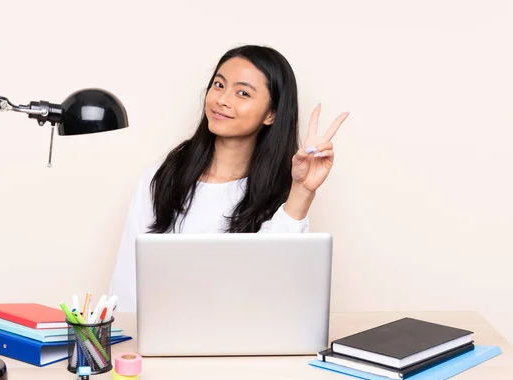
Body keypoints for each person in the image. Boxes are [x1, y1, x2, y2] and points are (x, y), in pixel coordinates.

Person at [109, 44, 349, 311]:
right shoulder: (161, 178)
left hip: (247, 339)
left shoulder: (282, 190)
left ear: (271, 114)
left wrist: (302, 192)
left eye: (243, 93)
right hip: (161, 343)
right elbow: (127, 284)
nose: (222, 100)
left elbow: (279, 285)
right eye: (219, 85)